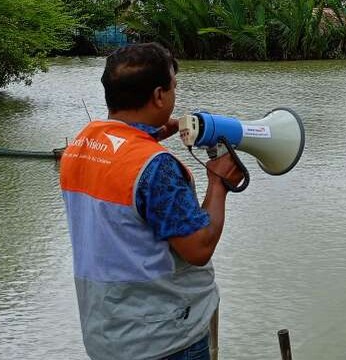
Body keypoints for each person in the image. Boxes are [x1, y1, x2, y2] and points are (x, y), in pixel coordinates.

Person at [59, 43, 243, 360]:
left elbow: (123, 170)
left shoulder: (82, 144)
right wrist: (218, 183)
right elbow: (198, 248)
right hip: (164, 339)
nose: (174, 94)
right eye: (173, 86)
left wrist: (148, 138)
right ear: (159, 96)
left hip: (109, 335)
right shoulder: (156, 168)